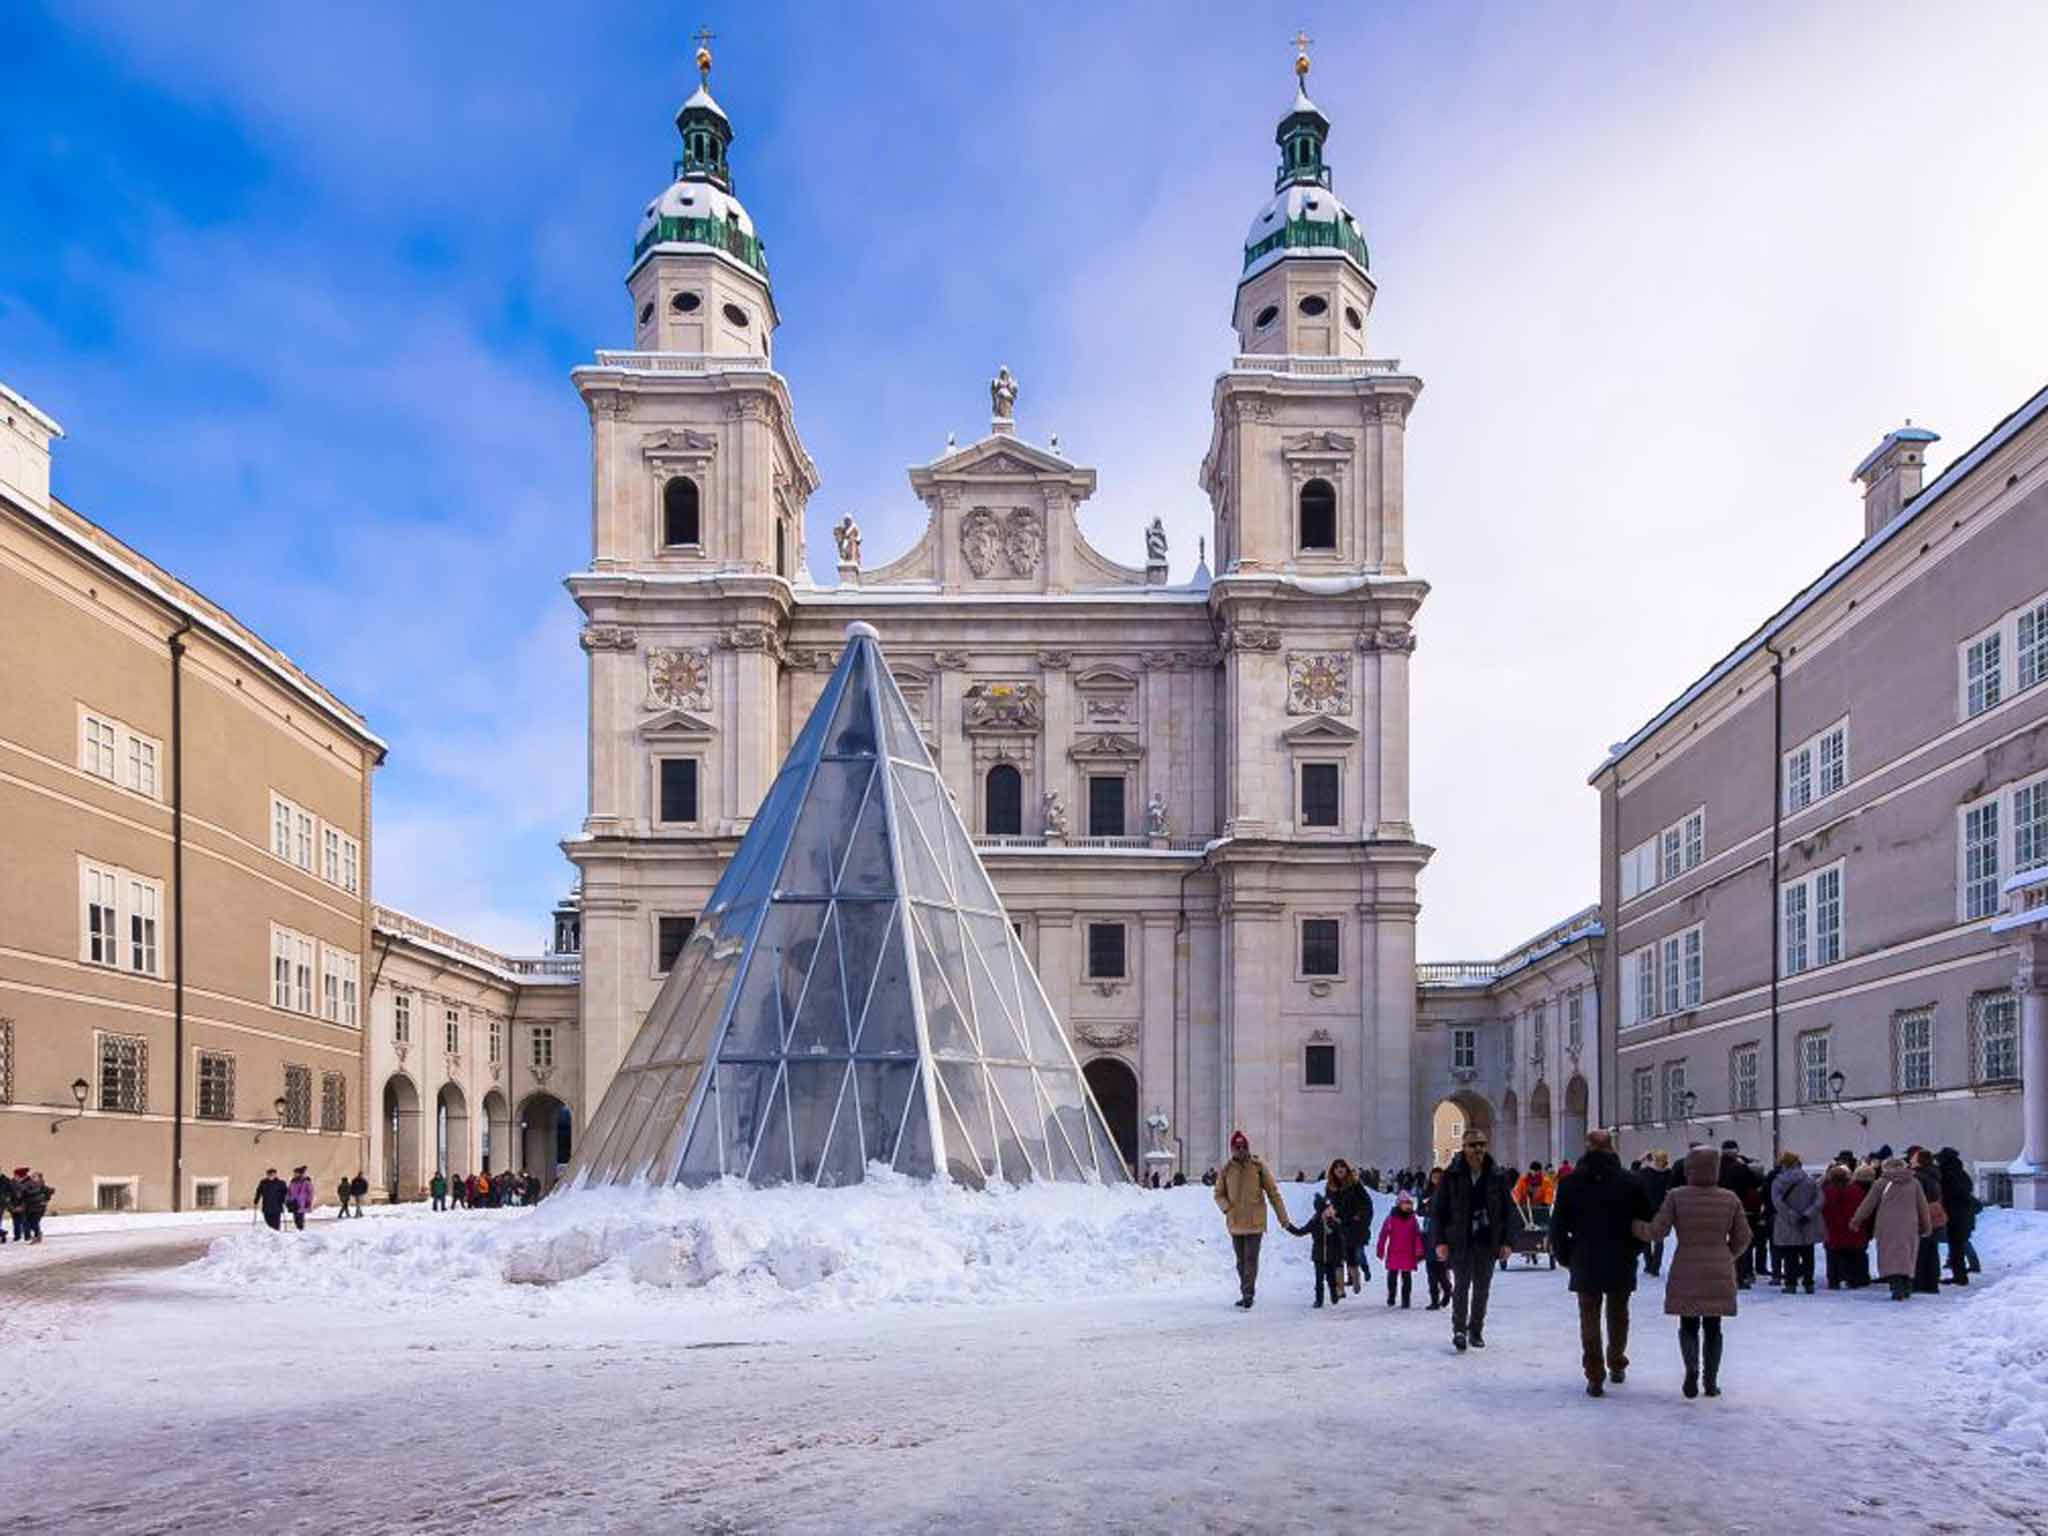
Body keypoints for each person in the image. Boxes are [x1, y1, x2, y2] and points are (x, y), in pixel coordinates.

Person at [1634, 1145, 1749, 1399]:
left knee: (1687, 1323)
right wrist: (1727, 1255)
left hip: (1686, 1263)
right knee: (1713, 1325)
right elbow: (1744, 1236)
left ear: (1689, 1169)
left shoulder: (1677, 1196)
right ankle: (1711, 1381)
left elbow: (1657, 1231)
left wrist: (1635, 1226)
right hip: (1719, 1265)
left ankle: (1691, 1367)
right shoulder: (1729, 1198)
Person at [1549, 1130, 1652, 1397]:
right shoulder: (1631, 1182)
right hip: (1621, 1256)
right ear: (1612, 1148)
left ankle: (1594, 1374)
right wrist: (1635, 1249)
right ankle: (1617, 1361)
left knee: (1589, 1317)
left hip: (1584, 1256)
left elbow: (1558, 1226)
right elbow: (1645, 1223)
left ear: (1587, 1148)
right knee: (1619, 1314)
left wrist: (1566, 1256)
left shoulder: (1571, 1183)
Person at [1428, 1126, 1521, 1353]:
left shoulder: (1497, 1176)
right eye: (1473, 1145)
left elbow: (1510, 1212)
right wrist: (1439, 1241)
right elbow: (1438, 1211)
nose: (1478, 1149)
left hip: (1487, 1240)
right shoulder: (1451, 1176)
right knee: (1461, 1286)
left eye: (1482, 1144)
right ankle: (1459, 1330)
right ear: (1464, 1147)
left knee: (1482, 1288)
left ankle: (1476, 1330)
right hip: (1460, 1240)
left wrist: (1508, 1242)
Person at [1213, 1130, 1291, 1309]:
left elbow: (1273, 1193)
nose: (1240, 1150)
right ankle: (1245, 1291)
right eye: (1236, 1147)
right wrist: (1227, 1208)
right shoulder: (1227, 1169)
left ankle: (1248, 1294)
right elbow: (1218, 1194)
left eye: (1243, 1147)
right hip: (1235, 1221)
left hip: (1255, 1222)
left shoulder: (1258, 1167)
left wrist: (1283, 1219)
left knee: (1250, 1259)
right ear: (1232, 1149)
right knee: (1241, 1261)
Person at [1855, 1156, 1933, 1301]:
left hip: (1886, 1224)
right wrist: (1926, 1226)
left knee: (1889, 1254)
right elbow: (1922, 1206)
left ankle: (1895, 1284)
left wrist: (1856, 1220)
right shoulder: (1914, 1183)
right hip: (1910, 1223)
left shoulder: (1881, 1183)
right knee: (1908, 1254)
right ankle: (1907, 1283)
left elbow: (1868, 1204)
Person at [1768, 1153, 1821, 1295]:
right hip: (1806, 1223)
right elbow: (1819, 1200)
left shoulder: (1778, 1181)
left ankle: (1791, 1283)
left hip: (1787, 1223)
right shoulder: (1810, 1180)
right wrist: (1807, 1214)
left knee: (1790, 1255)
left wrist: (1791, 1215)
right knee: (1808, 1254)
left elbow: (1777, 1202)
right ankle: (1808, 1283)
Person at [1283, 1193, 1347, 1308]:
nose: (1332, 1210)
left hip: (1331, 1256)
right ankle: (1319, 1300)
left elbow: (1340, 1241)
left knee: (1331, 1279)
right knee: (1319, 1280)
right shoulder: (1314, 1222)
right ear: (1322, 1210)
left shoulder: (1335, 1223)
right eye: (1329, 1208)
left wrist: (1342, 1255)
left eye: (1331, 1208)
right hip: (1318, 1256)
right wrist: (1289, 1226)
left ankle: (1334, 1295)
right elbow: (1301, 1232)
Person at [1716, 1141, 1762, 1289]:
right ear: (1735, 1151)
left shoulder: (1714, 1166)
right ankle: (1739, 1276)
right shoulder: (1739, 1167)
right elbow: (1755, 1182)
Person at [1326, 1158, 1374, 1294]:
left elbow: (1367, 1204)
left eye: (1342, 1167)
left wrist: (1360, 1216)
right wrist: (1327, 1214)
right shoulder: (1330, 1187)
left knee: (1351, 1255)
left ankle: (1355, 1279)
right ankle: (1340, 1288)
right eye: (1336, 1167)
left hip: (1352, 1226)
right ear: (1332, 1171)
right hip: (1336, 1225)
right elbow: (1327, 1204)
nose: (1340, 1169)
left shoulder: (1355, 1185)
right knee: (1337, 1257)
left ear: (1347, 1169)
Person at [1819, 1163, 1870, 1289]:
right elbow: (1862, 1208)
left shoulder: (1827, 1191)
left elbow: (1822, 1208)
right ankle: (1852, 1279)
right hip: (1851, 1228)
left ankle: (1833, 1280)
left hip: (1832, 1227)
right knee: (1852, 1254)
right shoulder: (1856, 1190)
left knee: (1832, 1255)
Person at [1935, 1148, 1978, 1286]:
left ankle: (1960, 1277)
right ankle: (1960, 1275)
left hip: (1955, 1216)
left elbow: (1950, 1195)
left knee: (1956, 1247)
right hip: (1963, 1215)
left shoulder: (1948, 1174)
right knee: (1958, 1246)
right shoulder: (1961, 1173)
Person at [1376, 1192, 1426, 1308]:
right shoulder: (1391, 1218)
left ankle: (1406, 1300)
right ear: (1399, 1204)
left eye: (1409, 1203)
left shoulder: (1412, 1219)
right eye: (1405, 1203)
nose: (1408, 1206)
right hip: (1394, 1251)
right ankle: (1391, 1296)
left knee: (1406, 1276)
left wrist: (1418, 1248)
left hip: (1408, 1252)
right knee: (1392, 1275)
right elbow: (1383, 1234)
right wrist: (1380, 1249)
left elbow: (1417, 1234)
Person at [1908, 1148, 1945, 1295]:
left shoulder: (1919, 1177)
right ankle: (1932, 1282)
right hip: (1934, 1214)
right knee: (1931, 1249)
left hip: (1923, 1215)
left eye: (1914, 1158)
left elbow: (1917, 1198)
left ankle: (1919, 1282)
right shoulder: (1933, 1174)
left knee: (1921, 1250)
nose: (1911, 1160)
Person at [1420, 1167, 1451, 1310]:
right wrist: (1426, 1209)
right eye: (1434, 1177)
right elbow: (1419, 1210)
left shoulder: (1449, 1193)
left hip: (1443, 1235)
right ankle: (1434, 1299)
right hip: (1428, 1233)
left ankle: (1447, 1290)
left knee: (1441, 1269)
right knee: (1431, 1268)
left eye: (1439, 1177)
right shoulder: (1427, 1193)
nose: (1437, 1179)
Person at [1639, 1150, 1672, 1277]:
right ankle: (1655, 1267)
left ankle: (1649, 1265)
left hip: (1646, 1209)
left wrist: (1640, 1161)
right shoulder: (1669, 1174)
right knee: (1659, 1239)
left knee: (1647, 1238)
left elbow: (1633, 1175)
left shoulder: (1645, 1173)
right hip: (1661, 1210)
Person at [15, 1171, 53, 1244]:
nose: (33, 1177)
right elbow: (22, 1193)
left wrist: (46, 1200)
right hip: (29, 1207)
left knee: (34, 1222)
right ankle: (37, 1235)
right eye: (32, 1176)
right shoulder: (27, 1184)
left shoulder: (42, 1185)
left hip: (38, 1207)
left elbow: (49, 1192)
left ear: (39, 1178)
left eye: (35, 1176)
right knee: (28, 1223)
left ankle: (37, 1236)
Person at [253, 1168, 290, 1232]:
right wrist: (256, 1200)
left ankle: (276, 1235)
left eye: (273, 1174)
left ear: (275, 1175)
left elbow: (286, 1193)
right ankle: (271, 1235)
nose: (271, 1176)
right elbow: (259, 1192)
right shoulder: (263, 1182)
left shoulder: (280, 1183)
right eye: (269, 1174)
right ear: (267, 1175)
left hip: (277, 1206)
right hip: (266, 1206)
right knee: (268, 1222)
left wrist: (284, 1201)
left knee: (275, 1224)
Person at [286, 1166, 315, 1231]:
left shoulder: (306, 1182)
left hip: (302, 1203)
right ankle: (299, 1230)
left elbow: (311, 1192)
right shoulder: (292, 1182)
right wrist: (288, 1200)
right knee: (295, 1218)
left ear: (300, 1173)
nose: (295, 1174)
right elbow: (289, 1191)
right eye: (294, 1173)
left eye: (296, 1173)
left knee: (300, 1218)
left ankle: (301, 1230)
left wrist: (308, 1201)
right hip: (293, 1202)